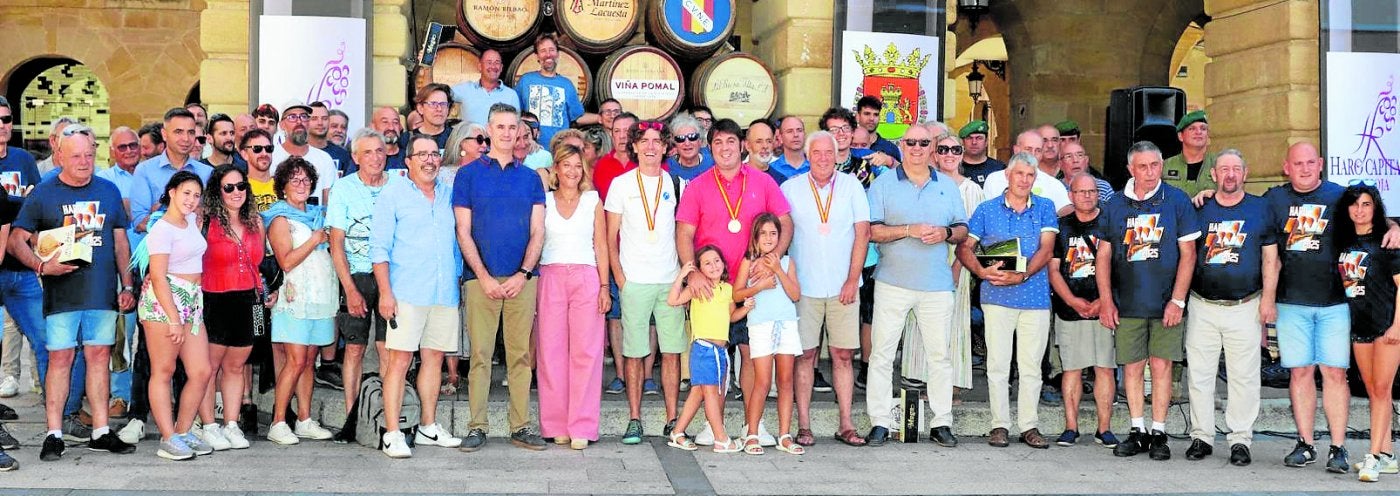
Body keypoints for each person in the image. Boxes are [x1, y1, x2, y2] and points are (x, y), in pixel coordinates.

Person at [1264, 142, 1400, 472]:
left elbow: (1375, 217)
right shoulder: (1274, 199)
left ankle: (1337, 448)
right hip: (1291, 303)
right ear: (1287, 167)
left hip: (1336, 304)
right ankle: (1306, 443)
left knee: (1335, 374)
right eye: (1298, 163)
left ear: (1321, 163)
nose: (1305, 168)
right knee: (1300, 372)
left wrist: (1395, 228)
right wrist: (1206, 196)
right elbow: (1241, 209)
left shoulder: (1340, 196)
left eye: (1311, 162)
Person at [10, 124, 137, 461]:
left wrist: (127, 283)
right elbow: (16, 238)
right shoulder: (44, 192)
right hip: (62, 294)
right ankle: (53, 433)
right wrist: (40, 267)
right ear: (59, 157)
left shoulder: (108, 190)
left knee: (99, 358)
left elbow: (121, 242)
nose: (84, 162)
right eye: (76, 156)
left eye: (88, 155)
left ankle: (100, 430)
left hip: (102, 292)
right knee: (61, 358)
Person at [676, 118, 793, 445]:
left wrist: (773, 263)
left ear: (741, 145)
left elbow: (785, 222)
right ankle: (715, 427)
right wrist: (693, 271)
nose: (725, 148)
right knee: (715, 358)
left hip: (750, 282)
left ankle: (751, 427)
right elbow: (684, 233)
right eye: (717, 143)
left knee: (752, 352)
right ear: (709, 148)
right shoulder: (698, 185)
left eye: (730, 141)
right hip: (711, 288)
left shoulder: (763, 181)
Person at [862, 123, 967, 446]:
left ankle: (941, 421)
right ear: (902, 145)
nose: (918, 148)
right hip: (893, 282)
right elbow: (873, 231)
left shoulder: (947, 186)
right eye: (911, 142)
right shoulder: (882, 184)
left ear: (932, 148)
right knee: (881, 354)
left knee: (939, 356)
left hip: (936, 285)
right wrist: (908, 229)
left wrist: (945, 234)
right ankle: (879, 421)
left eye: (924, 143)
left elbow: (962, 229)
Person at [1096, 141, 1199, 461]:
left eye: (1155, 165)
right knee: (1132, 366)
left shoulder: (1177, 200)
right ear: (1131, 169)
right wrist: (1106, 301)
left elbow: (1189, 254)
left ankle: (1159, 431)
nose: (1150, 172)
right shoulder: (1114, 204)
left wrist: (1178, 301)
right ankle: (1137, 429)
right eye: (1143, 166)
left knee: (1162, 366)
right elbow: (1103, 256)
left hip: (1166, 302)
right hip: (1127, 303)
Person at [454, 103, 548, 452]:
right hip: (481, 280)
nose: (508, 133)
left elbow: (538, 232)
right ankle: (477, 426)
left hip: (523, 280)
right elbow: (463, 231)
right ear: (489, 131)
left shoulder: (530, 178)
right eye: (501, 127)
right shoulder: (468, 175)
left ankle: (520, 426)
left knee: (520, 355)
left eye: (514, 127)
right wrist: (483, 276)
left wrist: (523, 273)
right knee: (479, 356)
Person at [955, 152, 1058, 449]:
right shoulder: (987, 210)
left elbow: (1047, 249)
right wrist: (980, 271)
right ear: (1008, 176)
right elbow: (965, 248)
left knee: (1031, 367)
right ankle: (999, 425)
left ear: (1034, 179)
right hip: (996, 296)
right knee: (998, 365)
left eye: (1030, 175)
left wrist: (1022, 276)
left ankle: (1029, 425)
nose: (1024, 180)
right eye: (1019, 174)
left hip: (1034, 297)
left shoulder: (1045, 207)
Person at [371, 133, 464, 457]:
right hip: (406, 291)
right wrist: (385, 292)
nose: (429, 159)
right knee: (399, 361)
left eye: (434, 154)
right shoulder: (392, 195)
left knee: (434, 358)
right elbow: (378, 248)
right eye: (421, 154)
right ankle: (392, 432)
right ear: (407, 162)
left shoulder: (448, 195)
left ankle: (427, 426)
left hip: (442, 291)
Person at [1183, 149, 1274, 467]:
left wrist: (1268, 300)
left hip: (1244, 305)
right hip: (1202, 304)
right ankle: (1201, 436)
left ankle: (1240, 440)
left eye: (1236, 169)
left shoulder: (1261, 209)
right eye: (1224, 169)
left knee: (1244, 377)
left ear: (1245, 173)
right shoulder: (1199, 207)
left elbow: (1270, 258)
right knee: (1199, 375)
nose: (1231, 175)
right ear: (1214, 175)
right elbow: (1187, 255)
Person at [781, 130, 870, 447]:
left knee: (844, 355)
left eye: (827, 152)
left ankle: (846, 423)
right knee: (805, 356)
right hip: (804, 288)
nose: (822, 158)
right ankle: (804, 425)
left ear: (837, 155)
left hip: (843, 287)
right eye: (816, 152)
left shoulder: (852, 186)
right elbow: (782, 237)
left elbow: (863, 234)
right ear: (807, 156)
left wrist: (852, 278)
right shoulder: (790, 188)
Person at [606, 119, 686, 445]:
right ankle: (634, 418)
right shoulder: (621, 185)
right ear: (634, 146)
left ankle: (672, 419)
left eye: (657, 141)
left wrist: (685, 276)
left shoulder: (678, 184)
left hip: (669, 282)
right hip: (634, 281)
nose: (651, 146)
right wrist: (621, 279)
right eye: (645, 141)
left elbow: (684, 235)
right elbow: (610, 238)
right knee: (634, 353)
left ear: (666, 147)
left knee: (671, 352)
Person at [536, 144, 609, 451]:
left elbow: (601, 245)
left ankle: (582, 425)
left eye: (577, 166)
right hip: (550, 274)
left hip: (586, 276)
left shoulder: (593, 200)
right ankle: (555, 424)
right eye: (566, 165)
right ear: (556, 168)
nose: (572, 171)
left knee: (586, 353)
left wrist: (605, 287)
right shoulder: (544, 201)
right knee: (550, 353)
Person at [262, 157, 337, 445]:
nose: (301, 184)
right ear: (282, 186)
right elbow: (287, 261)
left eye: (306, 179)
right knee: (294, 360)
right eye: (294, 179)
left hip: (321, 296)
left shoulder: (319, 214)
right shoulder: (280, 219)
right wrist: (315, 239)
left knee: (308, 361)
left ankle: (304, 419)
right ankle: (278, 421)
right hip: (295, 298)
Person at [327, 128, 400, 424]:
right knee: (355, 348)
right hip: (357, 276)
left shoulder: (398, 184)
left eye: (380, 151)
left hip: (393, 278)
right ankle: (352, 417)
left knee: (388, 348)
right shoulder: (343, 189)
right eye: (367, 152)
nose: (375, 157)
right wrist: (350, 289)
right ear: (355, 157)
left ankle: (384, 416)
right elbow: (336, 244)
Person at [138, 171, 212, 460]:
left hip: (192, 300)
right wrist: (173, 318)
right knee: (164, 370)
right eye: (186, 193)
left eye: (196, 195)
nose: (191, 200)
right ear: (171, 192)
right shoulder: (162, 229)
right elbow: (156, 276)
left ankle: (182, 431)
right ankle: (168, 438)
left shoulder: (193, 219)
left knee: (201, 370)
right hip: (164, 303)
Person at [1333, 181, 1400, 482]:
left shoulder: (1387, 242)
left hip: (1387, 327)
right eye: (1355, 204)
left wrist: (1397, 326)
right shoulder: (1343, 242)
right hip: (1359, 327)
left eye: (1366, 204)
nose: (1360, 210)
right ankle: (1386, 455)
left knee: (1383, 390)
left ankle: (1372, 457)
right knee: (1373, 391)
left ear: (1376, 208)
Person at [1048, 173, 1119, 449]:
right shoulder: (1060, 227)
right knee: (1072, 368)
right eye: (1081, 192)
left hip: (1104, 307)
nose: (1087, 196)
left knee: (1105, 368)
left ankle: (1105, 429)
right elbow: (1053, 269)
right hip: (1069, 308)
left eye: (1091, 191)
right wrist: (1072, 300)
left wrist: (1104, 300)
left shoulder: (1110, 224)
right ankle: (1071, 427)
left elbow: (1120, 268)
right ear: (1071, 195)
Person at [195, 164, 262, 452]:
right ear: (217, 191)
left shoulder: (255, 221)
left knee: (236, 366)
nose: (237, 192)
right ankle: (209, 424)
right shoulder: (203, 221)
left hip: (247, 298)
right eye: (229, 187)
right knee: (209, 368)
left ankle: (231, 424)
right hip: (214, 298)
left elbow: (260, 261)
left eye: (241, 186)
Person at [664, 246, 751, 453]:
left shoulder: (728, 289)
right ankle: (720, 438)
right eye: (707, 263)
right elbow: (673, 300)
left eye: (716, 261)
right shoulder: (696, 289)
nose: (713, 266)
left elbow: (731, 317)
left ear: (723, 263)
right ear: (700, 269)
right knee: (710, 393)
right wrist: (682, 276)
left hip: (720, 351)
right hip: (703, 349)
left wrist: (746, 308)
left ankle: (677, 432)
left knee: (698, 393)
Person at [733, 213, 804, 455]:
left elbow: (795, 295)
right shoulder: (748, 262)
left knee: (785, 381)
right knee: (762, 381)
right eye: (763, 233)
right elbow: (737, 294)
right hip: (761, 325)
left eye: (773, 233)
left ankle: (784, 435)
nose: (768, 238)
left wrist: (777, 270)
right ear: (755, 236)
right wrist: (759, 286)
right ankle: (752, 433)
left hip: (786, 324)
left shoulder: (787, 263)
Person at [923, 132, 981, 400]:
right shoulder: (925, 184)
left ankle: (952, 385)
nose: (949, 155)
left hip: (957, 263)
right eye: (943, 149)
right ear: (934, 153)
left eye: (955, 150)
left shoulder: (971, 190)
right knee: (925, 323)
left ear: (962, 154)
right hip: (927, 262)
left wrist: (958, 267)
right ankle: (925, 380)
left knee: (954, 324)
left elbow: (972, 235)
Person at [592, 111, 639, 395]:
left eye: (627, 131)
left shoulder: (648, 165)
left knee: (647, 319)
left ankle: (645, 377)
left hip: (643, 252)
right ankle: (621, 374)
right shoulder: (600, 167)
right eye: (617, 130)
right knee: (617, 314)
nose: (622, 136)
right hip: (612, 249)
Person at [132, 108, 214, 238]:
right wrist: (186, 215)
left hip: (196, 253)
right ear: (164, 134)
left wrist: (162, 210)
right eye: (178, 132)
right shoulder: (145, 170)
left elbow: (212, 216)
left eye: (191, 132)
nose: (186, 138)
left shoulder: (207, 173)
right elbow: (139, 221)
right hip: (158, 253)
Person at [516, 34, 598, 145]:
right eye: (543, 51)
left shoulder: (566, 84)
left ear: (558, 54)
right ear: (536, 56)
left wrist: (600, 118)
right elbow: (514, 114)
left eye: (552, 50)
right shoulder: (525, 81)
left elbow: (578, 117)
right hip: (530, 150)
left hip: (558, 149)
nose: (548, 54)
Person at [981, 129, 1071, 215]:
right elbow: (987, 214)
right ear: (1016, 150)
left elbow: (1066, 213)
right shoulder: (994, 179)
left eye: (1038, 150)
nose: (1033, 154)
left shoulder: (1053, 184)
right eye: (1028, 149)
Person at [270, 101, 337, 203]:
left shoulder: (324, 159)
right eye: (292, 117)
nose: (299, 122)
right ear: (281, 125)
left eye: (304, 116)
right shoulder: (271, 157)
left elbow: (329, 203)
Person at [451, 48, 519, 127]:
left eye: (497, 63)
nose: (493, 66)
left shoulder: (511, 95)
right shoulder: (465, 89)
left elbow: (516, 126)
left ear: (501, 68)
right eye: (489, 62)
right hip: (472, 139)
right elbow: (438, 93)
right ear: (480, 66)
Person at [1164, 110, 1216, 198]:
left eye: (1203, 128)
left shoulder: (1219, 163)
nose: (1199, 132)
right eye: (1192, 128)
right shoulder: (1165, 166)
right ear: (1180, 136)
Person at [309, 102, 356, 178]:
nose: (339, 131)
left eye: (343, 127)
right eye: (334, 126)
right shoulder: (301, 151)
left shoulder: (345, 155)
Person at [666, 113, 715, 181]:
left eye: (692, 137)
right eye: (680, 138)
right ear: (675, 143)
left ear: (700, 140)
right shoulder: (667, 167)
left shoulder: (713, 163)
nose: (687, 143)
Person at [240, 129, 279, 212]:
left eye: (268, 148)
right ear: (244, 154)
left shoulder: (284, 185)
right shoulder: (238, 188)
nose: (264, 153)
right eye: (257, 149)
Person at [853, 95, 902, 161]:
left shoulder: (890, 149)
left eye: (876, 114)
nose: (872, 118)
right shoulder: (847, 144)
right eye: (867, 114)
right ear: (857, 117)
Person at [958, 120, 1003, 187]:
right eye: (969, 138)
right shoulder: (955, 167)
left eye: (979, 138)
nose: (974, 142)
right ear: (963, 142)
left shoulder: (998, 168)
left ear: (986, 142)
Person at [743, 119, 786, 185]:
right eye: (759, 141)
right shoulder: (735, 176)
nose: (765, 146)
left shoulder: (781, 180)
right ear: (748, 145)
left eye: (769, 141)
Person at [413, 83, 454, 151]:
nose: (439, 109)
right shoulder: (407, 139)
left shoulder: (457, 138)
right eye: (433, 104)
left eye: (443, 104)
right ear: (420, 108)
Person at [770, 116, 808, 181]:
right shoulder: (771, 170)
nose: (796, 135)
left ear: (804, 134)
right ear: (780, 138)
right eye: (790, 131)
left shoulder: (815, 167)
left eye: (799, 130)